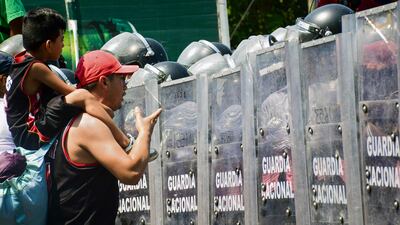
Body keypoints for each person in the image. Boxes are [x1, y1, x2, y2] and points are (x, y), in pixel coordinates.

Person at [47, 50, 162, 225]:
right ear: (104, 82)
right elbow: (130, 173)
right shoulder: (89, 124)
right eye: (122, 79)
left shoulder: (78, 120)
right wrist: (145, 132)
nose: (126, 86)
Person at [6, 8, 131, 151]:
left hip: (22, 133)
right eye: (61, 39)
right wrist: (103, 109)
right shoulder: (36, 68)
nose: (63, 45)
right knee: (83, 96)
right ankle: (125, 142)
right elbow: (70, 92)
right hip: (31, 134)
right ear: (48, 45)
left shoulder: (21, 59)